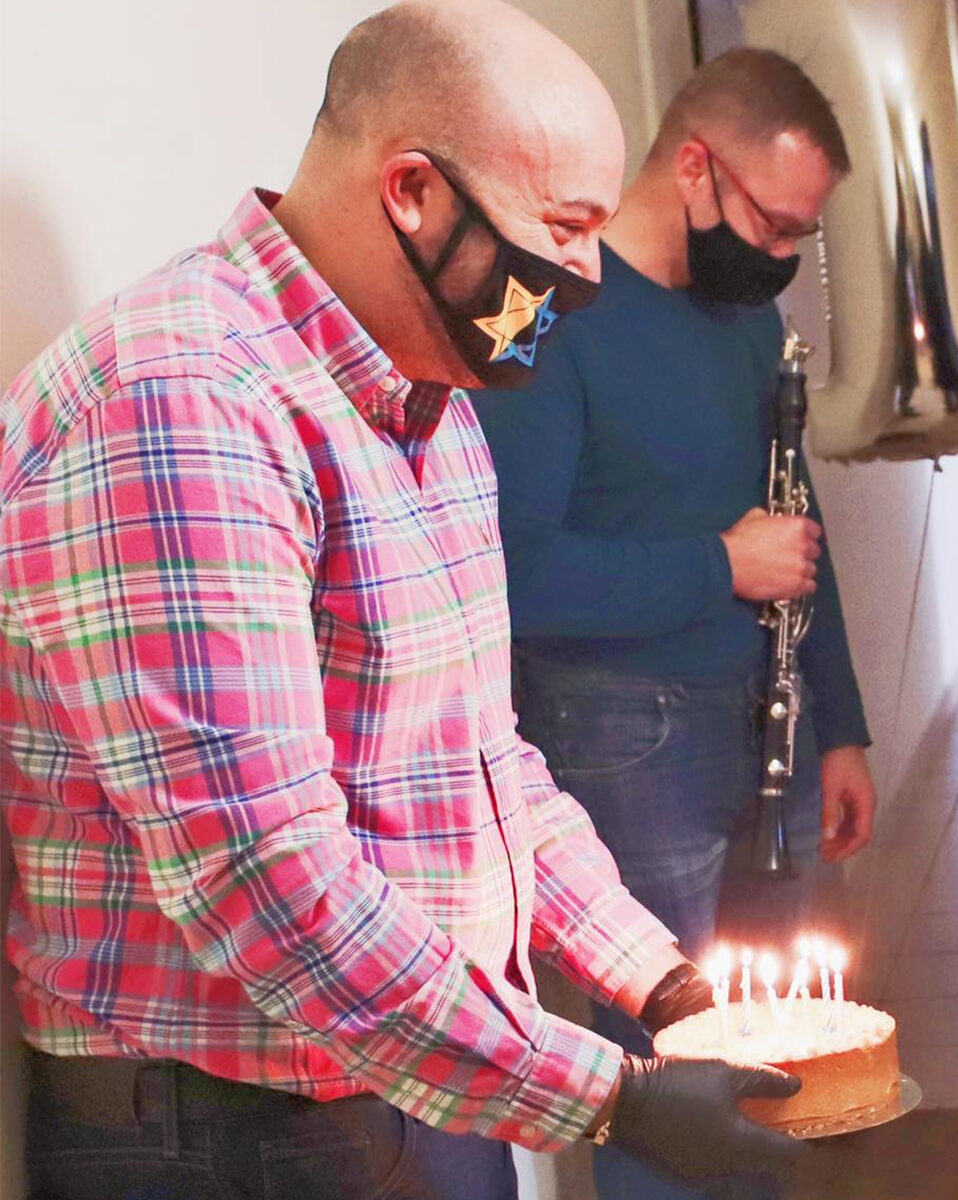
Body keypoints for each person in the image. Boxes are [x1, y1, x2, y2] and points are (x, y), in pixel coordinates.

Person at [0, 4, 807, 1197]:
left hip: (395, 1073)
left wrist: (662, 985)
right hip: (229, 1133)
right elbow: (269, 886)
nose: (586, 274)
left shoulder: (424, 396)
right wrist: (613, 1099)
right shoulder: (183, 401)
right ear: (414, 193)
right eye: (564, 227)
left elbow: (485, 759)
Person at [468, 45, 876, 1200]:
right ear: (694, 167)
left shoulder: (741, 318)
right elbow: (512, 576)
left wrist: (841, 723)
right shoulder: (541, 314)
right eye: (776, 224)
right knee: (671, 1072)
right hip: (619, 738)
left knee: (780, 1056)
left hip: (770, 727)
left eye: (807, 234)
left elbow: (795, 531)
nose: (786, 257)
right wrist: (715, 568)